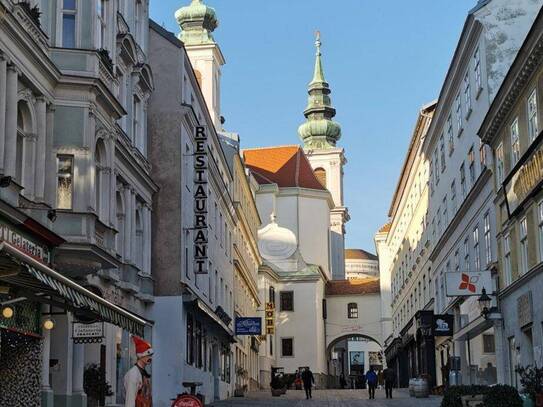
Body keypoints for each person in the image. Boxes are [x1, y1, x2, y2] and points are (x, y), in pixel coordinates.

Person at [124, 336, 153, 407]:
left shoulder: (143, 373)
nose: (150, 358)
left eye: (151, 355)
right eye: (148, 354)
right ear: (140, 355)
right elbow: (130, 402)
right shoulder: (133, 374)